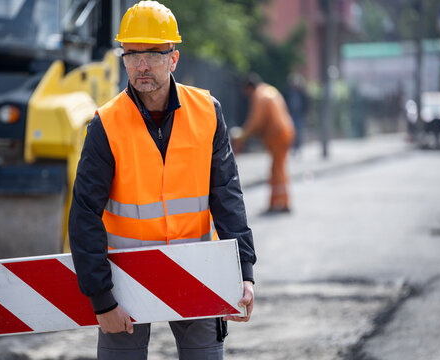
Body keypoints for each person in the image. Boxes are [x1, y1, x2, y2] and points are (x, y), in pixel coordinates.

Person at [68, 2, 256, 359]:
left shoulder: (207, 112)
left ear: (174, 58)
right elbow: (84, 215)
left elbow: (226, 196)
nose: (141, 65)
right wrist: (102, 300)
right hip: (123, 278)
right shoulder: (105, 124)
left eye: (153, 54)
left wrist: (243, 271)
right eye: (132, 54)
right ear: (122, 58)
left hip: (196, 269)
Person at [233, 73, 295, 214]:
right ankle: (277, 202)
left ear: (249, 88)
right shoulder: (269, 90)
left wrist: (243, 134)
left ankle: (281, 203)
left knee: (277, 169)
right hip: (285, 131)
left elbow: (256, 121)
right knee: (277, 168)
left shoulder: (259, 96)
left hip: (277, 134)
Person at [285, 73, 308, 154]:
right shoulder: (288, 92)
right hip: (290, 114)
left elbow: (306, 104)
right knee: (291, 131)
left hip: (299, 115)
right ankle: (292, 147)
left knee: (298, 132)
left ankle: (297, 147)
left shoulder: (302, 93)